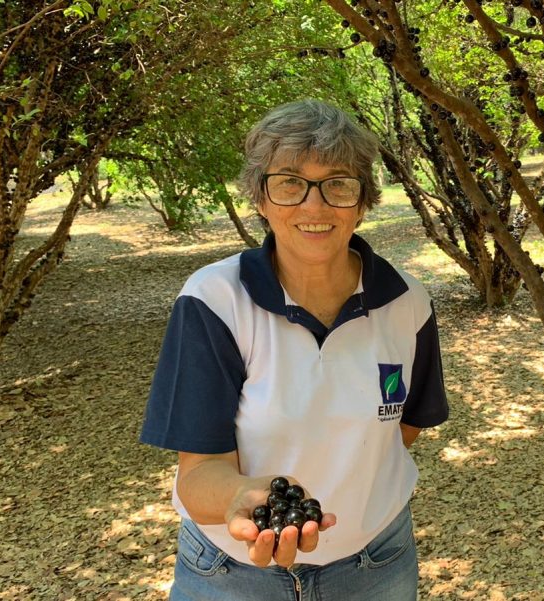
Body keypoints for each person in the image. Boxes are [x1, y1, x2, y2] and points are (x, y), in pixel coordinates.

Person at [140, 99, 449, 600]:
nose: (314, 206)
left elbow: (405, 426)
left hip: (376, 563)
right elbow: (198, 475)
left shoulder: (406, 302)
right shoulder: (215, 300)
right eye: (289, 183)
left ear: (363, 201)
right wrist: (242, 496)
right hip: (231, 574)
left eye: (338, 184)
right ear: (261, 199)